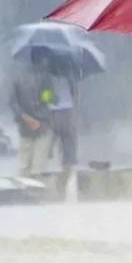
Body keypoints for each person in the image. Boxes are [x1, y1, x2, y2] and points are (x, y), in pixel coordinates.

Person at [10, 49, 54, 177]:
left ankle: (22, 191)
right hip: (42, 124)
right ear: (42, 61)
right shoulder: (46, 78)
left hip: (24, 126)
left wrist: (25, 117)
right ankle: (37, 191)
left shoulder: (18, 79)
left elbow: (13, 103)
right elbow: (47, 100)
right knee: (38, 165)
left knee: (23, 163)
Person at [48, 59, 79, 196]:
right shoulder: (68, 77)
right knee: (66, 150)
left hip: (58, 113)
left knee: (65, 149)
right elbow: (75, 96)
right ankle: (59, 181)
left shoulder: (48, 78)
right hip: (61, 113)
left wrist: (49, 98)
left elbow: (42, 97)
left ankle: (60, 181)